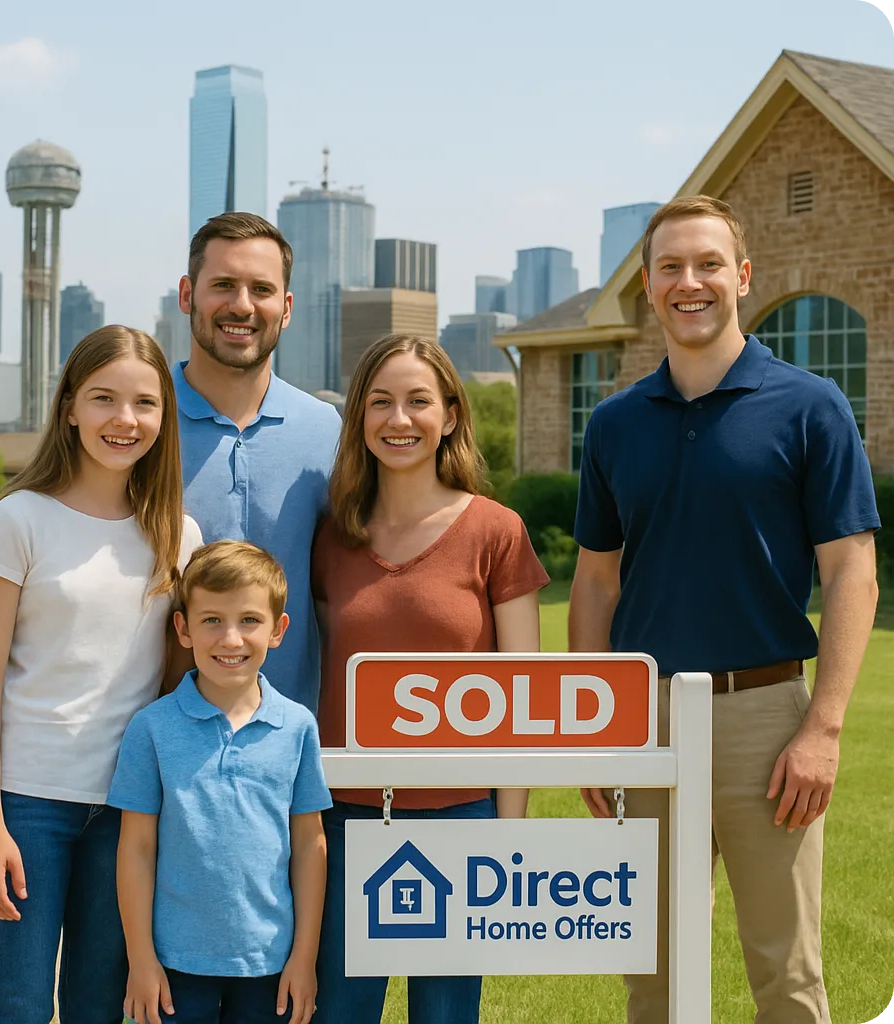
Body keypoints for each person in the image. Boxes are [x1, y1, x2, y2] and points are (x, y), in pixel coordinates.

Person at [569, 195, 879, 1024]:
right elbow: (596, 584)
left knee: (786, 976)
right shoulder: (613, 424)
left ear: (741, 276)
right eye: (670, 267)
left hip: (768, 721)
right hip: (645, 718)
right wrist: (597, 728)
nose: (689, 282)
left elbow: (852, 569)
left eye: (708, 264)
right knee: (655, 973)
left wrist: (822, 728)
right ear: (647, 284)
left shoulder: (811, 406)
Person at [0, 326, 203, 1024]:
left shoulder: (178, 535)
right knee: (20, 1003)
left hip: (125, 813)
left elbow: (174, 687)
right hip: (28, 806)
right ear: (69, 407)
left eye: (145, 403)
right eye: (103, 398)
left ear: (163, 417)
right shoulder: (20, 520)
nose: (125, 420)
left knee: (99, 1005)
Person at [310, 335, 549, 1024]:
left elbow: (523, 699)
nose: (399, 419)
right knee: (340, 1014)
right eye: (380, 402)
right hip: (345, 814)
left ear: (449, 414)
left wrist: (506, 837)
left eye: (419, 401)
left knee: (445, 1017)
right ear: (359, 417)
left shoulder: (496, 532)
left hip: (462, 816)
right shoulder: (332, 536)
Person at [107, 540, 331, 1024]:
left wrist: (304, 957)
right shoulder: (152, 728)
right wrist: (141, 960)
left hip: (270, 962)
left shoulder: (296, 728)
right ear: (183, 629)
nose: (231, 639)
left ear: (278, 630)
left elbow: (310, 845)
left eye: (249, 620)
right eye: (212, 620)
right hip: (174, 965)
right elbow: (136, 850)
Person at [173, 211, 341, 711]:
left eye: (261, 290)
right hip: (153, 736)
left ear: (286, 308)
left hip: (293, 739)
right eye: (223, 284)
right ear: (187, 295)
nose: (242, 305)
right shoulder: (139, 422)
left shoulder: (326, 429)